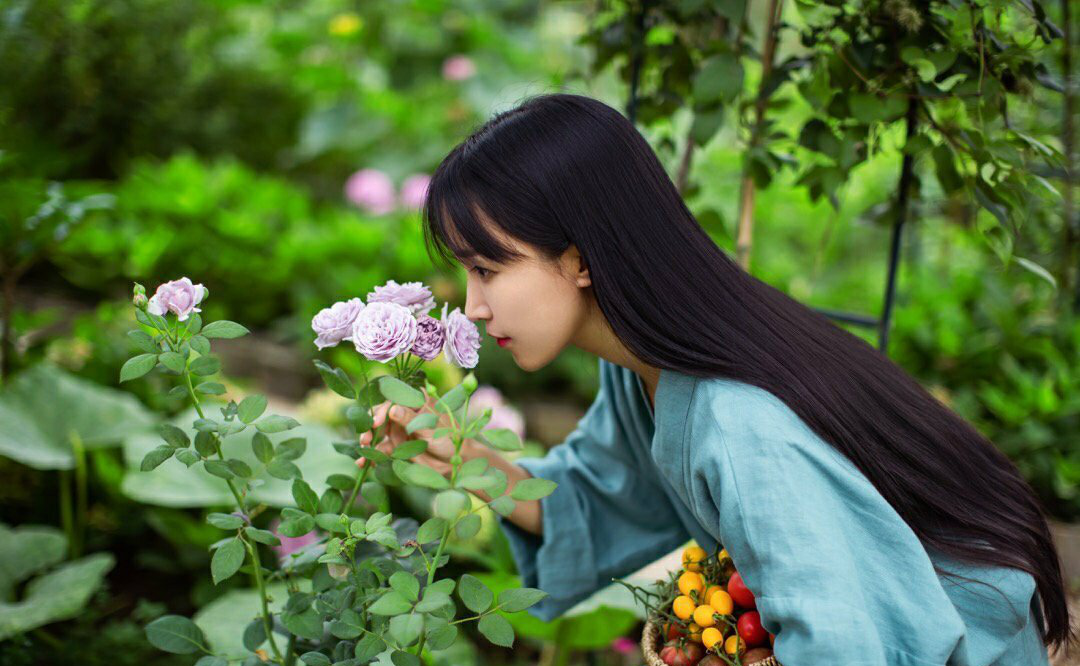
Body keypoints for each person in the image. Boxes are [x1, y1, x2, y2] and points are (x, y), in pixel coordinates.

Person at [358, 92, 1074, 665]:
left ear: (578, 259)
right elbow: (609, 500)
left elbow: (843, 644)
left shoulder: (740, 423)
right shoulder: (644, 364)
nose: (473, 305)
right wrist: (470, 463)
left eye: (486, 269)